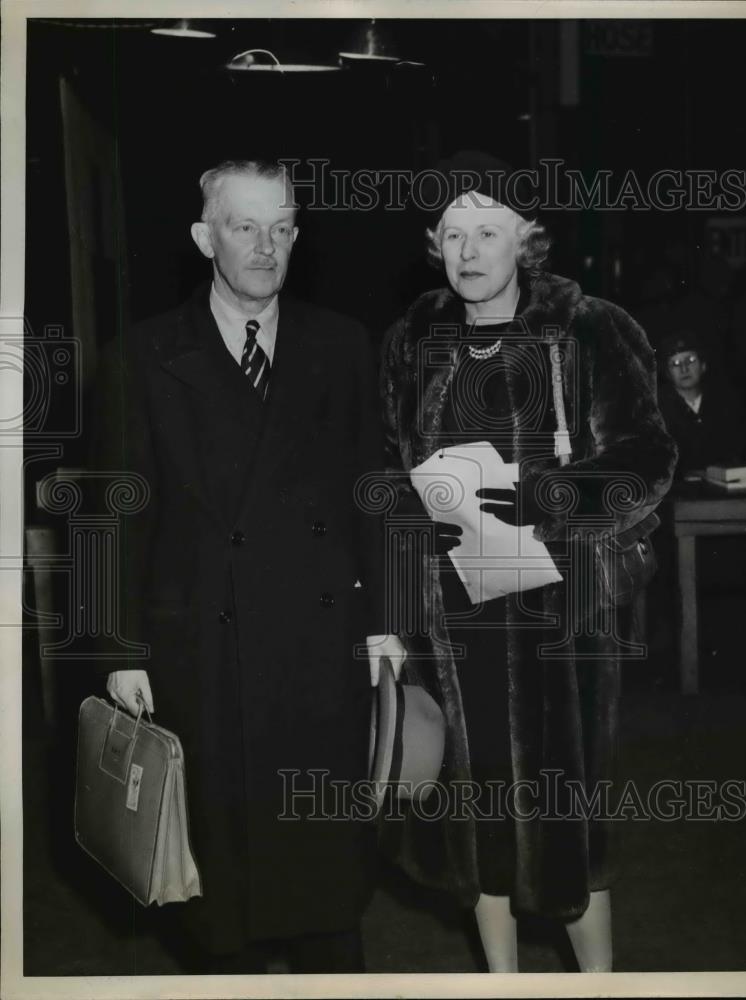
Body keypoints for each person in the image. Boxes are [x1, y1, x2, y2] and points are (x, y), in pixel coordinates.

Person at [91, 159, 405, 973]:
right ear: (205, 238)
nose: (265, 246)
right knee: (220, 902)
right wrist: (119, 651)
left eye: (282, 226)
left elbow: (372, 490)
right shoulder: (144, 353)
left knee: (324, 887)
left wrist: (388, 624)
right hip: (200, 648)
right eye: (243, 225)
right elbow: (114, 513)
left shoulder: (340, 343)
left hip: (320, 647)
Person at [379, 151, 677, 972]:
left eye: (488, 230)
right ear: (435, 245)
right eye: (453, 233)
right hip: (453, 611)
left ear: (526, 241)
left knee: (566, 817)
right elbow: (390, 475)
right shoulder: (414, 338)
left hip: (562, 613)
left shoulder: (589, 329)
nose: (469, 250)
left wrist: (545, 499)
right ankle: (502, 984)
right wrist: (397, 620)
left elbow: (648, 456)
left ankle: (599, 984)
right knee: (473, 817)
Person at [656, 329, 746, 479]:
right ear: (667, 374)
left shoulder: (727, 405)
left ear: (703, 365)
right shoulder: (656, 411)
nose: (684, 368)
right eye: (675, 364)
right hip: (677, 493)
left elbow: (740, 452)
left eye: (691, 360)